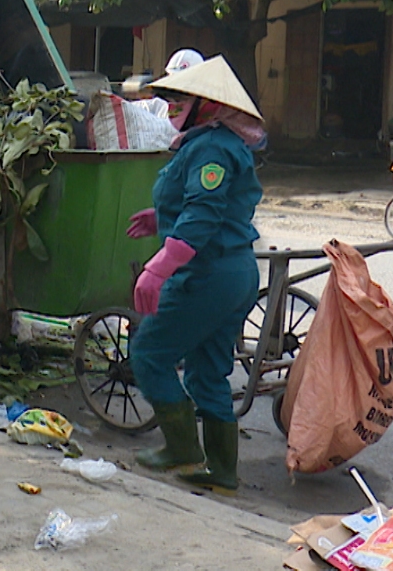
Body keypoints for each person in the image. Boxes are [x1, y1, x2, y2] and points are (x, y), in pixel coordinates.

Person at [124, 56, 266, 494]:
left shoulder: (210, 148)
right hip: (231, 271)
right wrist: (160, 217)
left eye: (179, 97)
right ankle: (222, 472)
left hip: (210, 275)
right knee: (207, 371)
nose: (170, 104)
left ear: (205, 104)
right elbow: (206, 205)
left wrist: (156, 268)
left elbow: (203, 219)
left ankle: (182, 450)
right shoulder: (209, 142)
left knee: (149, 352)